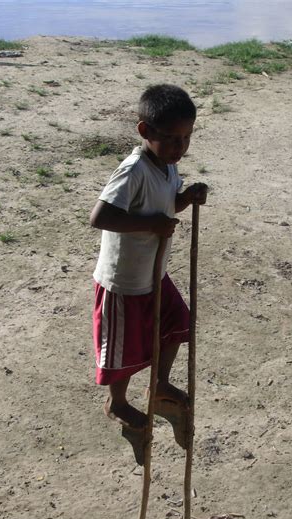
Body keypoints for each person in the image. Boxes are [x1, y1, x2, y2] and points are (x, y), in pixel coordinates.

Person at [90, 84, 207, 455]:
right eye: (172, 139)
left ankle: (159, 386)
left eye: (186, 138)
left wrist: (185, 198)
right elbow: (101, 216)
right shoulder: (133, 170)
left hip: (153, 273)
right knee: (123, 354)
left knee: (177, 324)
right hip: (123, 281)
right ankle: (118, 404)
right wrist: (151, 225)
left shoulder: (167, 167)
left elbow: (165, 204)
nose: (180, 147)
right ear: (145, 132)